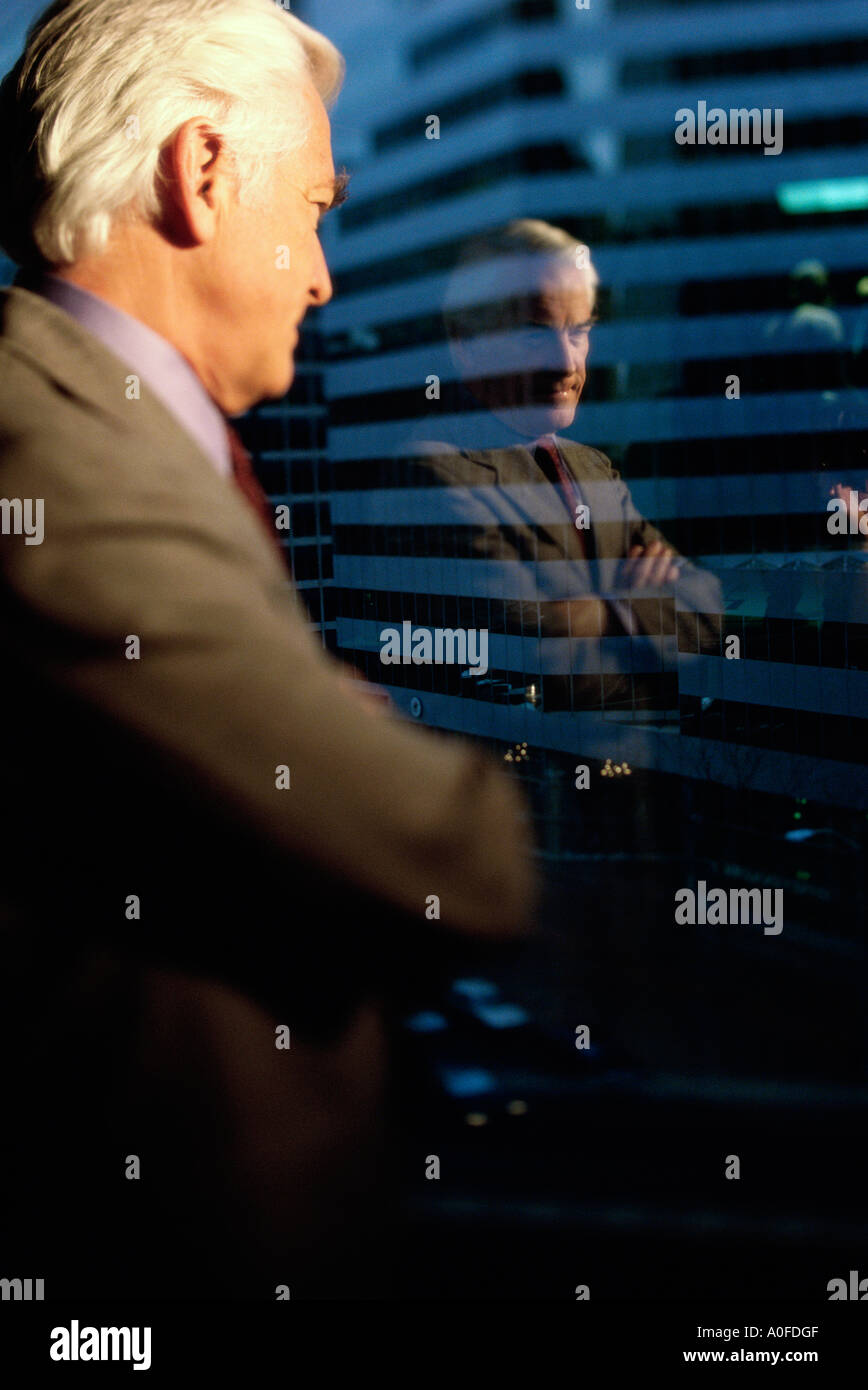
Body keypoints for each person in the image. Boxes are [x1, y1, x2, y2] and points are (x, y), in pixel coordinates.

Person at [0, 0, 535, 1299]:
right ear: (201, 169)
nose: (322, 272)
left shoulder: (118, 431)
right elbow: (461, 856)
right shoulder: (47, 449)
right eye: (309, 207)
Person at [404, 220, 721, 715]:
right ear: (465, 344)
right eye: (535, 336)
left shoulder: (592, 467)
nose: (566, 363)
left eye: (579, 333)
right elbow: (527, 664)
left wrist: (593, 616)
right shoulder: (433, 471)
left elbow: (706, 607)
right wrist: (646, 625)